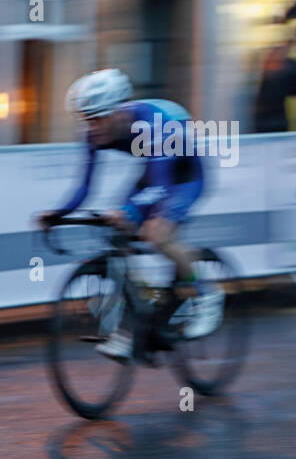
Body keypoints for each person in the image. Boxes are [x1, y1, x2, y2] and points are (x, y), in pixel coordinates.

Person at [35, 68, 222, 361]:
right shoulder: (94, 135)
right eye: (87, 120)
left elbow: (161, 187)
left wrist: (129, 211)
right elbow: (84, 187)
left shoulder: (153, 125)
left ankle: (206, 293)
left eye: (97, 119)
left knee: (158, 235)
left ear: (118, 112)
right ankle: (133, 320)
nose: (92, 127)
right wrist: (58, 213)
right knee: (118, 236)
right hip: (153, 173)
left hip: (185, 175)